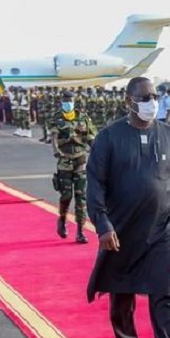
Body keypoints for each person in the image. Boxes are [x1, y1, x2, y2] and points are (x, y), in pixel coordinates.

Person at [85, 77, 170, 338]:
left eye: (155, 96)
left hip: (165, 230)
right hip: (122, 230)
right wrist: (103, 225)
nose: (152, 102)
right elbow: (94, 185)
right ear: (128, 101)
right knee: (122, 292)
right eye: (145, 97)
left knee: (165, 295)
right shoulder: (109, 137)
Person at [50, 90, 98, 244]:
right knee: (66, 196)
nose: (68, 103)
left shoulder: (83, 118)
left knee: (81, 197)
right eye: (65, 100)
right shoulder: (57, 118)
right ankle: (62, 219)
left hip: (80, 161)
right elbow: (54, 137)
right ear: (61, 101)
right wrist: (56, 151)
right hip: (64, 161)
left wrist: (98, 152)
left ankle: (80, 231)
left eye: (70, 100)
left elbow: (91, 137)